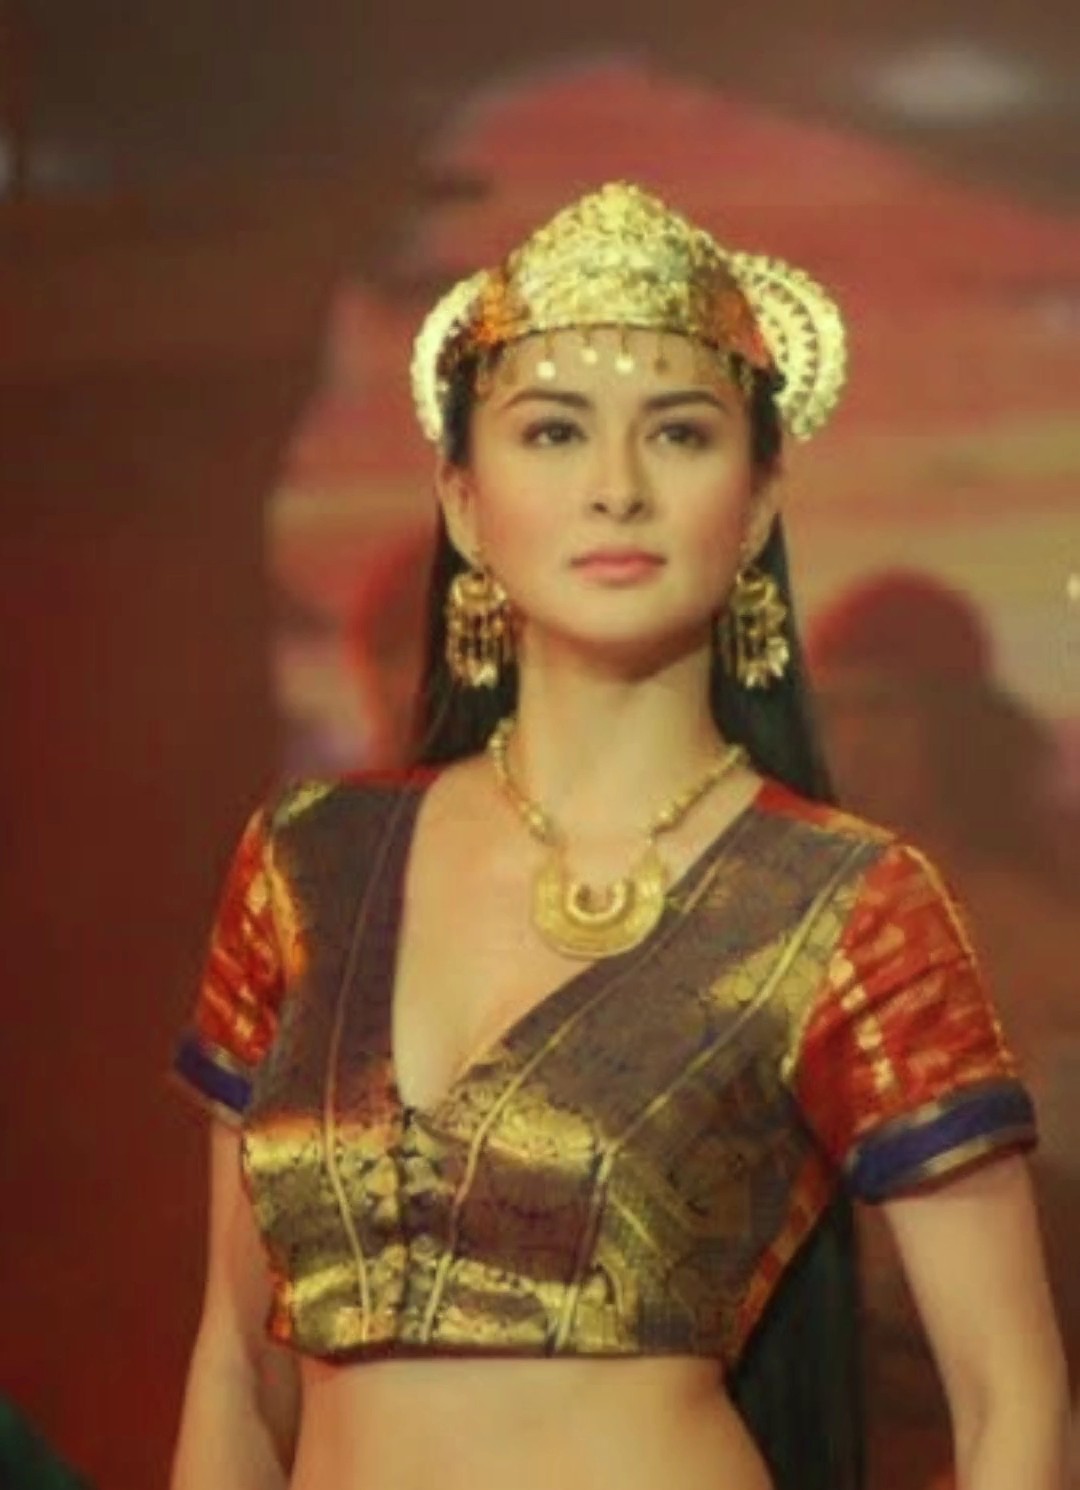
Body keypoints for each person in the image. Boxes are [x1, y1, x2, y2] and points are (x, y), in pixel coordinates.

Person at [169, 183, 1069, 1490]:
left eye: (680, 434)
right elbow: (233, 1373)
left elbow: (1012, 1401)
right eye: (553, 430)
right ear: (463, 501)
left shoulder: (844, 900)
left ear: (756, 504)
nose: (617, 489)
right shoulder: (308, 862)